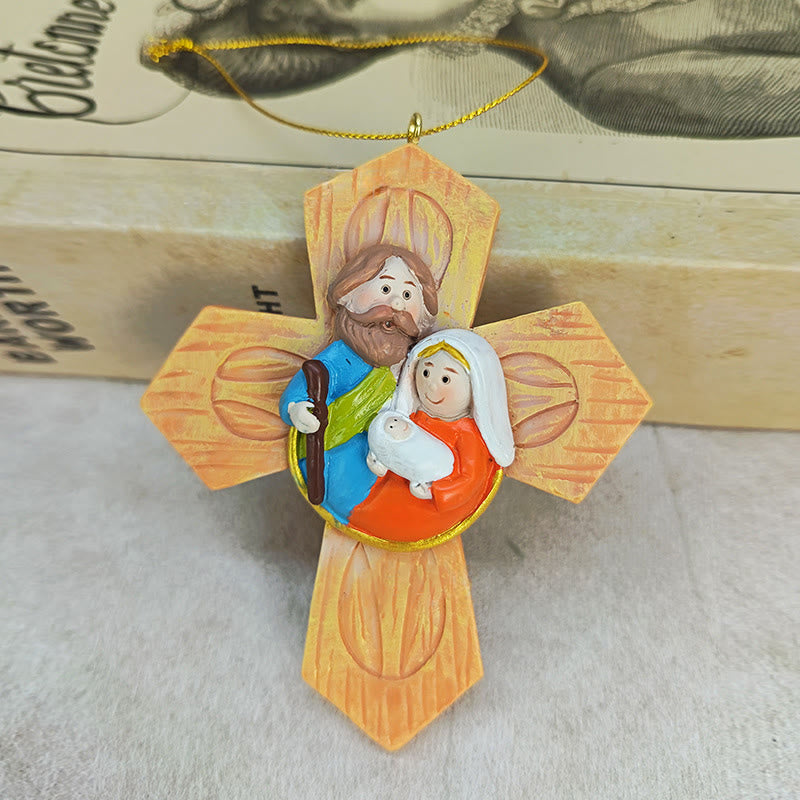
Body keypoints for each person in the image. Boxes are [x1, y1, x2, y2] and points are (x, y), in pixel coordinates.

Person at [279, 243, 438, 524]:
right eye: (385, 289)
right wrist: (297, 409)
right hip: (340, 463)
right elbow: (306, 387)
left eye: (407, 295)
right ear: (350, 296)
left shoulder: (414, 365)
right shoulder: (340, 358)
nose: (396, 305)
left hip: (397, 471)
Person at [348, 328, 516, 544]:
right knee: (364, 505)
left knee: (390, 519)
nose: (431, 385)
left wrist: (436, 491)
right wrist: (379, 458)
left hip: (424, 505)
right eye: (426, 373)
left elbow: (470, 479)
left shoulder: (466, 434)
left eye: (445, 379)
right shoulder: (414, 417)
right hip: (388, 491)